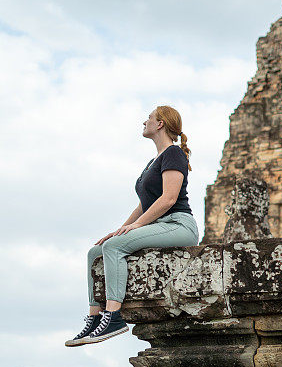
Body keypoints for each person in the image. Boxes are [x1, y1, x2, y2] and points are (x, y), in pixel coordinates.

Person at [65, 105, 199, 347]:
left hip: (179, 225)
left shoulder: (174, 154)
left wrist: (137, 226)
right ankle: (95, 318)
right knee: (96, 251)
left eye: (149, 118)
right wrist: (120, 229)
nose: (144, 121)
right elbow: (143, 204)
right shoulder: (153, 161)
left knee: (114, 248)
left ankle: (114, 317)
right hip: (159, 223)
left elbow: (168, 199)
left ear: (160, 124)